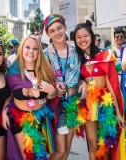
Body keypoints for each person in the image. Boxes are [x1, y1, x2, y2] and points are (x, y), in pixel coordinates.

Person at [73, 20, 125, 160]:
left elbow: (112, 86)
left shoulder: (104, 56)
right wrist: (82, 81)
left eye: (85, 36)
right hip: (89, 104)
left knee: (106, 145)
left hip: (105, 104)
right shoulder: (78, 60)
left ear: (91, 36)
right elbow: (77, 78)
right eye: (78, 37)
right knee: (92, 143)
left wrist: (119, 113)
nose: (82, 40)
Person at [2, 35, 57, 160]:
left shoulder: (45, 69)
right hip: (21, 119)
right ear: (21, 48)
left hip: (42, 118)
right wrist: (5, 111)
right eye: (27, 47)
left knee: (42, 156)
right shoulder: (14, 70)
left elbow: (51, 95)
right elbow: (12, 94)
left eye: (35, 48)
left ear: (39, 51)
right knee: (28, 158)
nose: (31, 51)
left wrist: (52, 91)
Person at [43, 14, 87, 160]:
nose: (57, 33)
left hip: (73, 104)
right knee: (59, 150)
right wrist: (54, 84)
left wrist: (83, 82)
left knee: (67, 148)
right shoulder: (45, 55)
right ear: (48, 34)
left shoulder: (77, 51)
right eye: (52, 31)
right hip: (56, 105)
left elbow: (83, 73)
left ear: (65, 28)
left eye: (59, 28)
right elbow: (40, 79)